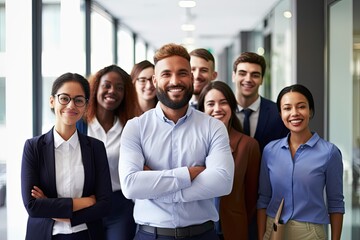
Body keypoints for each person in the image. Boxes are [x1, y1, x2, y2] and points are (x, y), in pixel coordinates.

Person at [119, 43, 235, 240]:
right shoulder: (135, 127)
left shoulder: (213, 127)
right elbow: (131, 186)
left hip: (202, 235)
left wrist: (155, 187)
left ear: (190, 77)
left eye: (182, 73)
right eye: (166, 74)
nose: (175, 81)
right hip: (150, 235)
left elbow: (222, 182)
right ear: (155, 80)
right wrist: (187, 174)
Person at [21, 72, 112, 240]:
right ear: (52, 101)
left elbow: (105, 204)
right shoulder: (33, 147)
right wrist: (86, 201)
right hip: (44, 235)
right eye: (64, 98)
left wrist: (55, 209)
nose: (71, 105)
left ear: (85, 106)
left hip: (88, 235)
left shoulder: (96, 148)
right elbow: (33, 206)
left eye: (78, 100)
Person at [257, 84, 345, 240]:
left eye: (301, 107)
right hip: (273, 229)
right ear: (280, 113)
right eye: (287, 108)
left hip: (309, 233)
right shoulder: (270, 151)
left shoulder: (329, 153)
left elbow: (336, 203)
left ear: (310, 111)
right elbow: (264, 198)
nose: (294, 113)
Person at [76, 64, 139, 240]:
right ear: (95, 88)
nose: (112, 91)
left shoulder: (130, 127)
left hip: (119, 205)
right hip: (86, 203)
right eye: (107, 85)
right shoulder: (80, 126)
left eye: (120, 88)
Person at [198, 81, 261, 240]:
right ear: (202, 110)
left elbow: (251, 198)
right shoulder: (192, 144)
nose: (217, 109)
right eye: (210, 104)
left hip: (233, 229)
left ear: (232, 108)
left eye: (223, 103)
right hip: (198, 229)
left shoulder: (248, 145)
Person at [232, 52, 288, 152]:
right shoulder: (223, 111)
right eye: (242, 73)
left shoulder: (278, 113)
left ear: (262, 79)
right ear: (233, 76)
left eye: (255, 75)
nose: (248, 79)